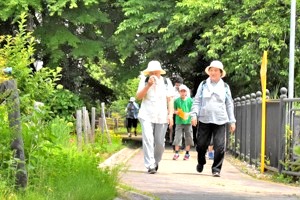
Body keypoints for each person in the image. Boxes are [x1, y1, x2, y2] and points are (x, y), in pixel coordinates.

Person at [190, 60, 236, 177]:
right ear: (208, 72)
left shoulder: (225, 87)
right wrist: (194, 114)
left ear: (220, 73)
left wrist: (232, 121)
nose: (213, 72)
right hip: (205, 119)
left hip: (220, 119)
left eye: (216, 70)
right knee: (201, 145)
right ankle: (201, 162)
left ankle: (216, 169)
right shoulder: (203, 84)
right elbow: (197, 101)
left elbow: (229, 104)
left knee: (220, 146)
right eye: (211, 70)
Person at [136, 60, 174, 174]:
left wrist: (170, 115)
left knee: (159, 142)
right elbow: (138, 96)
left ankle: (156, 161)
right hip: (146, 114)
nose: (153, 74)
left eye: (155, 72)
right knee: (148, 139)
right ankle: (150, 164)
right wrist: (148, 85)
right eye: (151, 72)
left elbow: (170, 99)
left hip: (161, 116)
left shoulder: (166, 82)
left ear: (160, 72)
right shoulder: (144, 80)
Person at [172, 84, 194, 160]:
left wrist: (189, 114)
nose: (182, 92)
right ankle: (176, 153)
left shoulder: (190, 100)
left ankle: (187, 153)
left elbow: (194, 110)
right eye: (181, 91)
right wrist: (176, 112)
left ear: (186, 92)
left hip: (188, 121)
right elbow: (173, 110)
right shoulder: (176, 101)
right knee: (177, 137)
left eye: (184, 91)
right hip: (179, 121)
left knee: (188, 137)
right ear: (179, 92)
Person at [168, 77, 190, 146]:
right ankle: (175, 144)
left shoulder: (186, 89)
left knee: (184, 128)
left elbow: (188, 100)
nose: (177, 86)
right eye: (176, 85)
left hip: (184, 112)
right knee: (175, 128)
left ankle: (183, 143)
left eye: (179, 85)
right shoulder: (172, 89)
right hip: (175, 111)